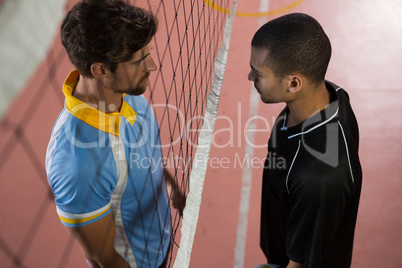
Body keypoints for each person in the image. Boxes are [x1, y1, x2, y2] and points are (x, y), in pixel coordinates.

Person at [45, 1, 184, 267]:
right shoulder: (77, 164)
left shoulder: (126, 94)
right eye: (139, 61)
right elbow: (105, 258)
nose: (153, 66)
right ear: (101, 70)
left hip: (161, 241)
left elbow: (140, 152)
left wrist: (170, 183)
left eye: (149, 53)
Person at [248, 13, 362, 268]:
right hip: (285, 237)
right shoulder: (332, 95)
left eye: (258, 73)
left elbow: (301, 263)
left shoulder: (317, 179)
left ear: (294, 83)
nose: (250, 78)